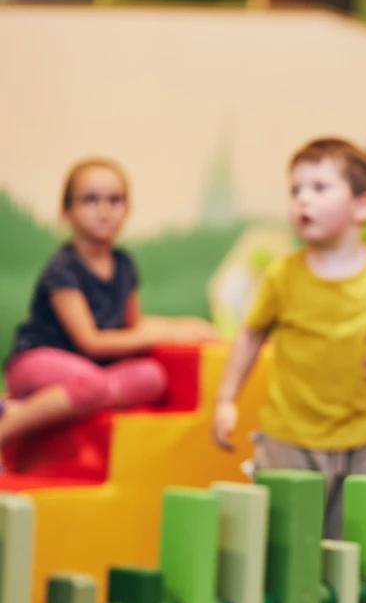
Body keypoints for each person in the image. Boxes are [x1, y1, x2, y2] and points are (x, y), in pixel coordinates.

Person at [212, 137, 366, 539]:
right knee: (287, 546)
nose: (303, 200)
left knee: (352, 546)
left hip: (363, 436)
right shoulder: (282, 275)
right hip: (288, 436)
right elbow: (251, 333)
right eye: (296, 190)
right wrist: (225, 400)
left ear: (361, 205)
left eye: (320, 188)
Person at [0, 158, 218, 448]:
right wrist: (163, 333)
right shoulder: (63, 270)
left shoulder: (124, 264)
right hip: (38, 360)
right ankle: (7, 429)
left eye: (115, 200)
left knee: (152, 377)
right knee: (93, 385)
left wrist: (183, 326)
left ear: (127, 210)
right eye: (90, 200)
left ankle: (26, 409)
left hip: (90, 373)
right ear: (67, 211)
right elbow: (92, 342)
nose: (104, 211)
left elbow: (132, 326)